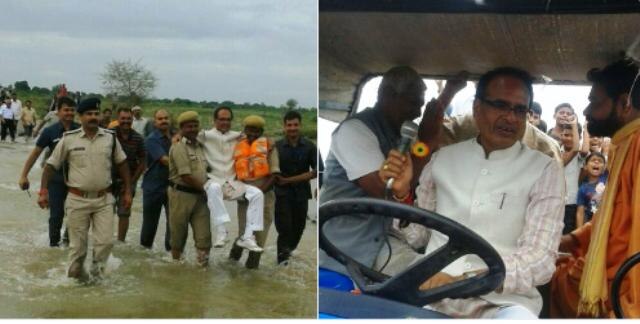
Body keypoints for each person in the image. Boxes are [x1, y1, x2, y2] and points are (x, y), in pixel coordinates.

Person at [385, 67, 565, 318]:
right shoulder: (441, 159)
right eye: (500, 105)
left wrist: (465, 278)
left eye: (519, 109)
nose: (511, 117)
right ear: (477, 108)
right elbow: (417, 237)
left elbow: (540, 261)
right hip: (431, 297)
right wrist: (403, 195)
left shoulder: (545, 169)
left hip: (503, 304)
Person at [319, 66, 466, 274]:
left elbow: (416, 157)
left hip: (382, 241)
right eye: (413, 104)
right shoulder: (355, 132)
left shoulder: (399, 134)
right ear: (387, 95)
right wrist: (427, 143)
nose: (417, 112)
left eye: (421, 106)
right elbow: (385, 196)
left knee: (444, 273)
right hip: (344, 250)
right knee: (428, 278)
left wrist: (449, 92)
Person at [551, 59, 640, 318]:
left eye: (595, 102)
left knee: (550, 280)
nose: (587, 111)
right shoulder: (624, 145)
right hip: (612, 273)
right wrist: (571, 241)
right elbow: (611, 219)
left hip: (623, 286)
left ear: (625, 103)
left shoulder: (635, 147)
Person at [39, 97, 131, 281]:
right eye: (89, 114)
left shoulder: (110, 138)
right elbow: (50, 166)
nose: (93, 117)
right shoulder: (68, 139)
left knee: (105, 243)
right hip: (77, 200)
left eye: (96, 114)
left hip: (104, 200)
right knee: (78, 250)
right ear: (80, 117)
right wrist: (43, 191)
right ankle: (74, 284)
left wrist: (128, 191)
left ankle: (96, 280)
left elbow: (122, 164)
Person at [197, 106, 265, 250]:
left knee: (257, 194)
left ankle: (247, 236)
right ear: (214, 120)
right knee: (213, 187)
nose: (225, 122)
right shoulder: (204, 135)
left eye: (228, 119)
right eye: (221, 119)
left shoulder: (238, 136)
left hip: (233, 183)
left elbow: (256, 136)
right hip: (214, 180)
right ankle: (221, 232)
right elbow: (187, 135)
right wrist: (177, 136)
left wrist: (269, 143)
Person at [18, 96, 79, 247]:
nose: (69, 113)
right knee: (56, 214)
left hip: (77, 179)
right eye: (66, 110)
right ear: (58, 112)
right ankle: (53, 246)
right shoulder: (50, 131)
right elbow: (35, 154)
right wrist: (24, 175)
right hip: (56, 178)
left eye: (72, 110)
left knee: (76, 215)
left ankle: (68, 242)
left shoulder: (80, 130)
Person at [228, 115, 280, 269]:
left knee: (259, 239)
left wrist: (257, 194)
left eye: (255, 131)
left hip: (265, 198)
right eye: (249, 130)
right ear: (244, 130)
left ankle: (251, 273)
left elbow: (275, 175)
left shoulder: (269, 147)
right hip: (244, 199)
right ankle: (230, 264)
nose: (252, 134)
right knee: (244, 234)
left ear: (261, 132)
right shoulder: (237, 144)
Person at [167, 111, 211, 266]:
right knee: (178, 237)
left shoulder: (201, 146)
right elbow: (185, 176)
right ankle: (176, 269)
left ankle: (203, 270)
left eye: (195, 125)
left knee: (204, 237)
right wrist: (208, 190)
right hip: (181, 195)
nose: (193, 129)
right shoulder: (178, 146)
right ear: (181, 128)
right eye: (188, 126)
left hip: (201, 198)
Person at [274, 110, 317, 265]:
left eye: (295, 125)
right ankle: (282, 263)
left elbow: (318, 171)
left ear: (300, 125)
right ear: (284, 127)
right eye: (289, 125)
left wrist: (318, 186)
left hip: (301, 194)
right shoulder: (276, 146)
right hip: (281, 194)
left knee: (299, 228)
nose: (292, 128)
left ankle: (287, 253)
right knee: (284, 229)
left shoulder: (310, 146)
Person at [111, 108, 146, 242]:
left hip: (129, 180)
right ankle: (105, 240)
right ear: (117, 119)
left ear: (132, 120)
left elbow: (143, 162)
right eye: (123, 118)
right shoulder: (110, 134)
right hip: (109, 180)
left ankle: (120, 242)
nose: (126, 121)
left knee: (124, 213)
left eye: (128, 119)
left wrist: (131, 183)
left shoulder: (138, 138)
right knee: (105, 212)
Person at [140, 109, 173, 251]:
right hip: (153, 187)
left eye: (166, 118)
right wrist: (186, 164)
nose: (164, 121)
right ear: (155, 122)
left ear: (170, 120)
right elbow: (165, 160)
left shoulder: (175, 138)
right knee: (150, 225)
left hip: (172, 186)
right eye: (160, 119)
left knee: (173, 224)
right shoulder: (151, 139)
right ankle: (144, 256)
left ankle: (171, 255)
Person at [558, 117, 588, 234]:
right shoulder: (556, 152)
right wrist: (574, 124)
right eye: (565, 135)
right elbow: (575, 148)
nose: (568, 138)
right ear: (561, 135)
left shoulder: (578, 155)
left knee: (566, 234)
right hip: (555, 201)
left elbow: (582, 149)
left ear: (578, 137)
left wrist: (584, 128)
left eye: (572, 135)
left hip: (570, 202)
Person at [576, 152, 607, 227]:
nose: (596, 162)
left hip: (606, 220)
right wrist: (579, 232)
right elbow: (580, 212)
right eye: (593, 160)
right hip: (591, 224)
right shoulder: (583, 188)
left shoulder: (607, 179)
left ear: (604, 169)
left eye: (600, 161)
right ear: (585, 166)